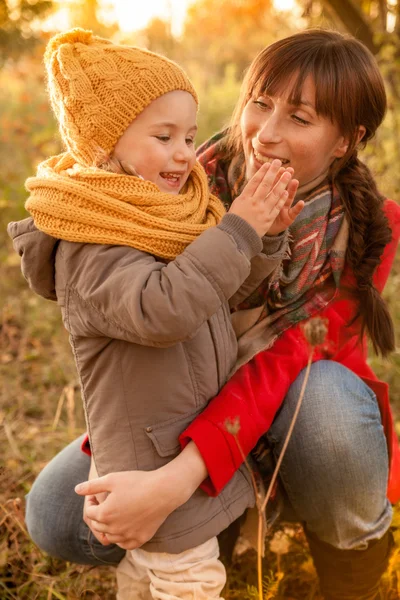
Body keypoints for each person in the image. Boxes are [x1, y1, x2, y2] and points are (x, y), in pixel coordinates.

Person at [9, 28, 400, 600]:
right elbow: (142, 307)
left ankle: (351, 560)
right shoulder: (176, 185)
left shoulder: (370, 225)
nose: (265, 135)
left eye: (300, 117)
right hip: (186, 405)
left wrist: (175, 482)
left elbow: (282, 362)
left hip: (294, 423)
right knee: (57, 515)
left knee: (328, 399)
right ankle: (222, 522)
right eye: (260, 104)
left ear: (348, 139)